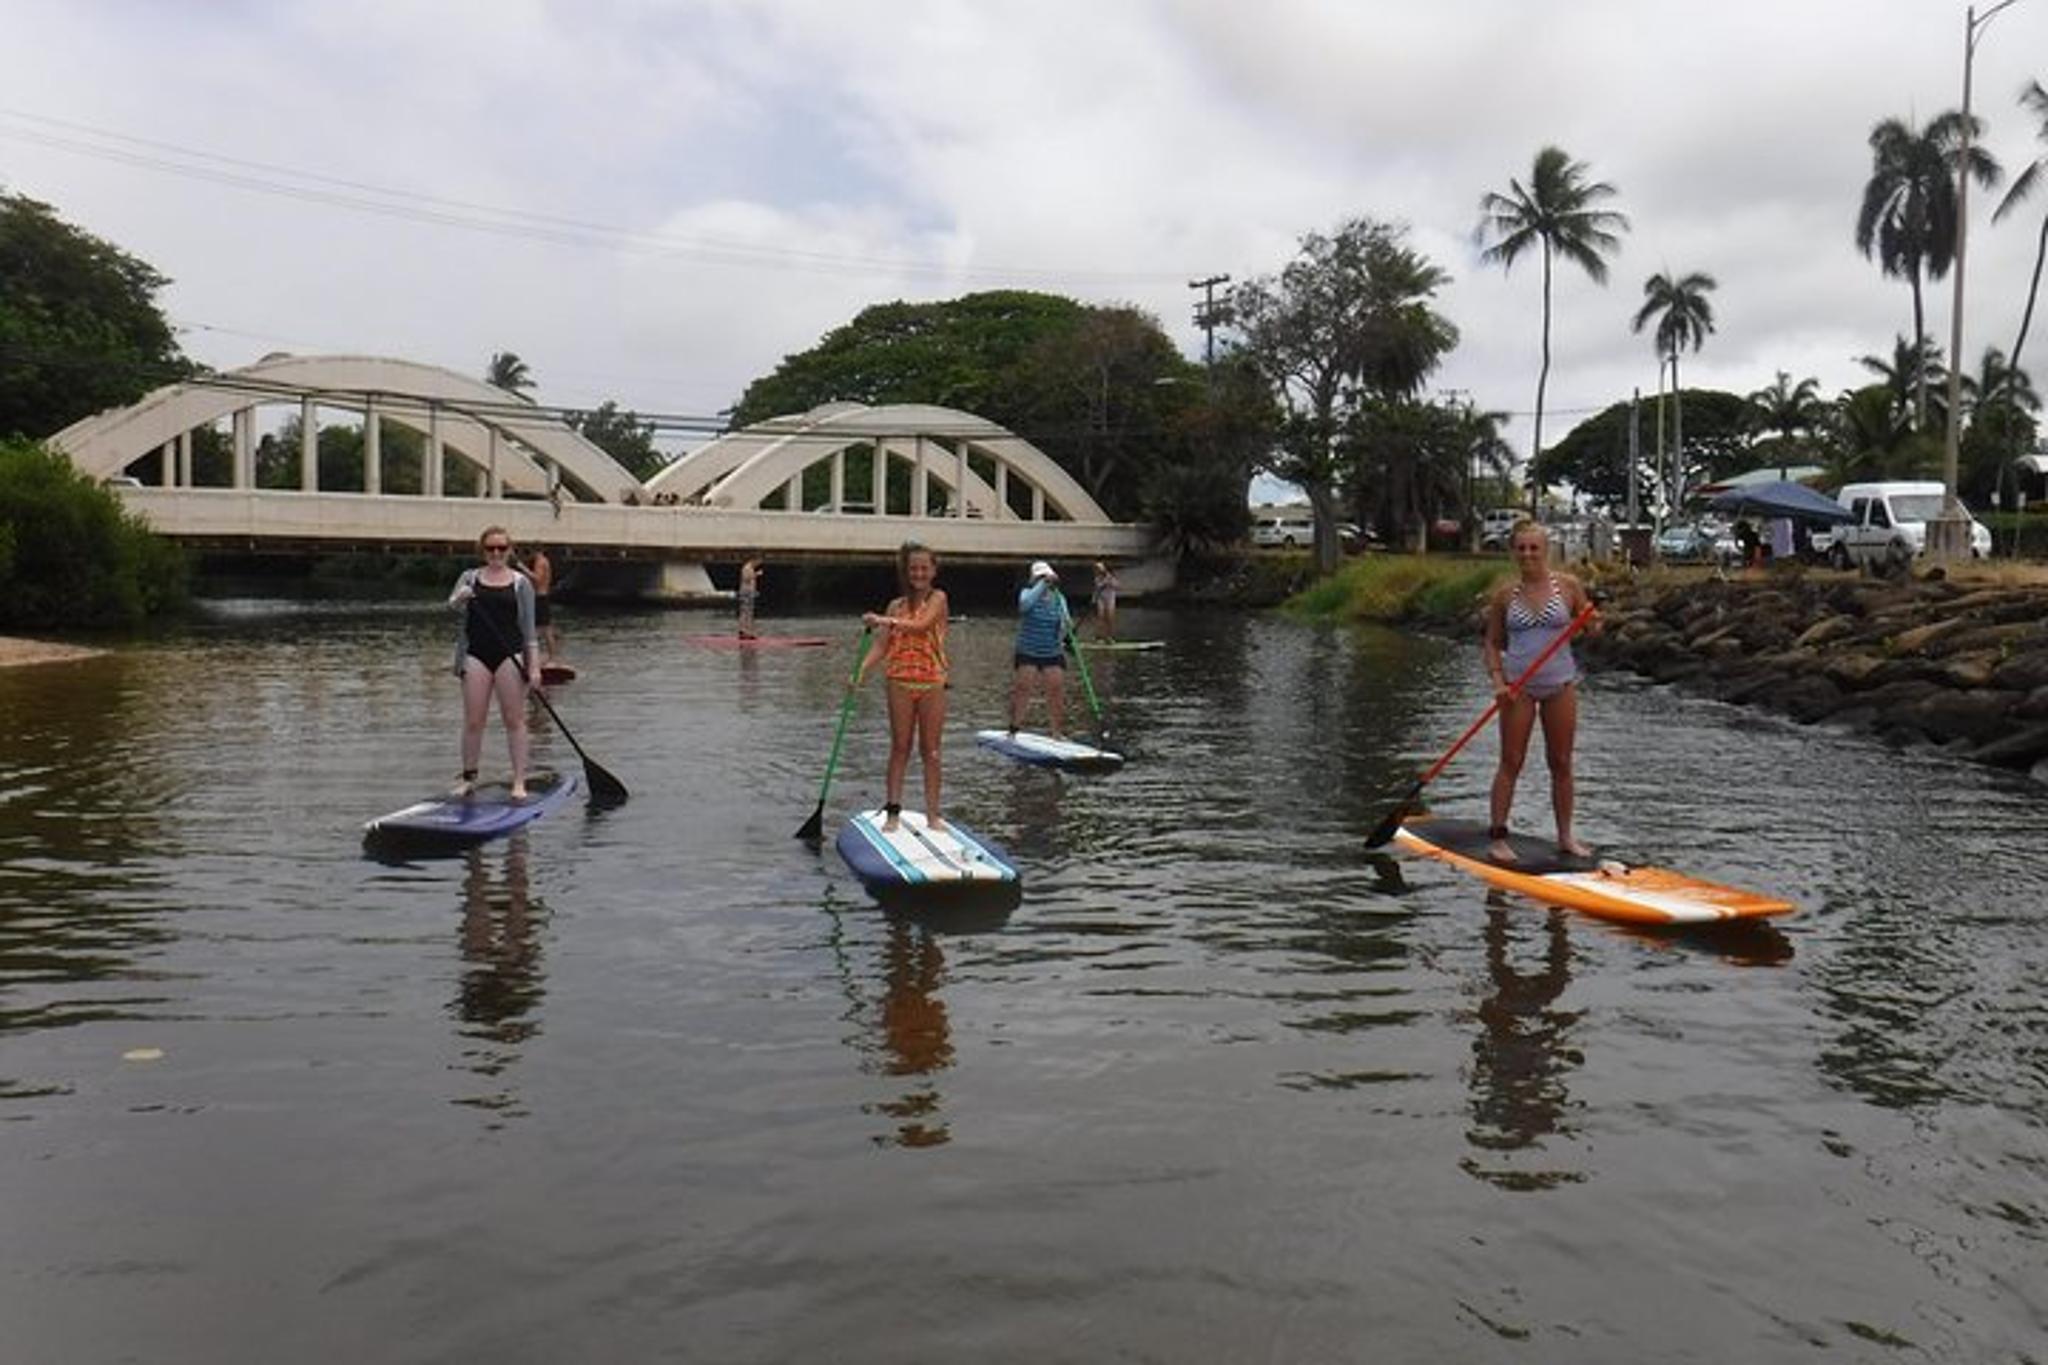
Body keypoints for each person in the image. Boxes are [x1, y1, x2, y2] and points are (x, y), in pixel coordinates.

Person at [1481, 520, 1601, 864]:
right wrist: (1498, 682)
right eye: (1521, 548)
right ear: (1513, 552)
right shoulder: (1505, 596)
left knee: (1561, 762)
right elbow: (1492, 642)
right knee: (1511, 761)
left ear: (1546, 550)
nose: (1528, 554)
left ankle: (1565, 837)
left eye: (1534, 547)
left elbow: (1591, 626)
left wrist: (1594, 624)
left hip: (1560, 684)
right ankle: (1499, 837)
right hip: (1518, 688)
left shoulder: (1568, 587)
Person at [859, 542, 950, 833]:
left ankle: (933, 815)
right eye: (913, 568)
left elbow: (922, 625)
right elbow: (882, 645)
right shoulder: (896, 606)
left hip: (931, 682)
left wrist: (882, 620)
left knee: (931, 751)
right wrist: (860, 672)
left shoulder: (939, 598)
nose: (919, 573)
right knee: (900, 747)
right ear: (906, 571)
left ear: (933, 570)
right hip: (899, 681)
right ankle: (893, 812)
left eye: (924, 568)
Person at [449, 526, 542, 799]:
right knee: (474, 720)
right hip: (476, 653)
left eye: (502, 548)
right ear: (483, 550)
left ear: (509, 551)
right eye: (491, 548)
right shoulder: (469, 578)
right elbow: (452, 606)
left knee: (514, 719)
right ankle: (469, 778)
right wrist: (460, 598)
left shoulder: (520, 583)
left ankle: (519, 781)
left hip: (510, 656)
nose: (496, 553)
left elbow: (529, 630)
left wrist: (534, 667)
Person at [1009, 559, 1069, 738]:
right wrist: (1043, 583)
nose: (1045, 581)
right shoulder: (1027, 594)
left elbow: (1065, 621)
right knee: (1023, 688)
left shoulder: (1059, 598)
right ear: (1035, 580)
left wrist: (1067, 634)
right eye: (1040, 578)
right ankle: (1014, 728)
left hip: (1052, 651)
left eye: (1046, 577)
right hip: (1028, 651)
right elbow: (1024, 606)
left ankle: (1057, 732)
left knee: (1056, 690)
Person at [524, 544, 559, 661]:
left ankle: (551, 657)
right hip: (542, 596)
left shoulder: (540, 561)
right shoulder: (545, 561)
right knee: (542, 629)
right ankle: (545, 656)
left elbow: (537, 578)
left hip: (540, 597)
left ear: (535, 551)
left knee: (544, 629)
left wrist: (522, 568)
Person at [1091, 560, 1120, 642]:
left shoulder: (1112, 577)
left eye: (1100, 568)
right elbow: (1098, 588)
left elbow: (1117, 586)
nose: (1098, 570)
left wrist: (1110, 581)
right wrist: (1093, 599)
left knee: (1110, 617)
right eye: (1097, 569)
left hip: (1110, 598)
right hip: (1101, 598)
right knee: (1100, 616)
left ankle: (1109, 637)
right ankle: (1098, 637)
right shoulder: (1097, 578)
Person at [737, 556, 762, 640]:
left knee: (749, 612)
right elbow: (746, 579)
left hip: (750, 592)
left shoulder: (750, 568)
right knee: (746, 611)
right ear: (753, 560)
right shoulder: (747, 568)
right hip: (746, 592)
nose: (758, 564)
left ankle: (748, 631)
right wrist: (756, 574)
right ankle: (743, 631)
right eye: (758, 562)